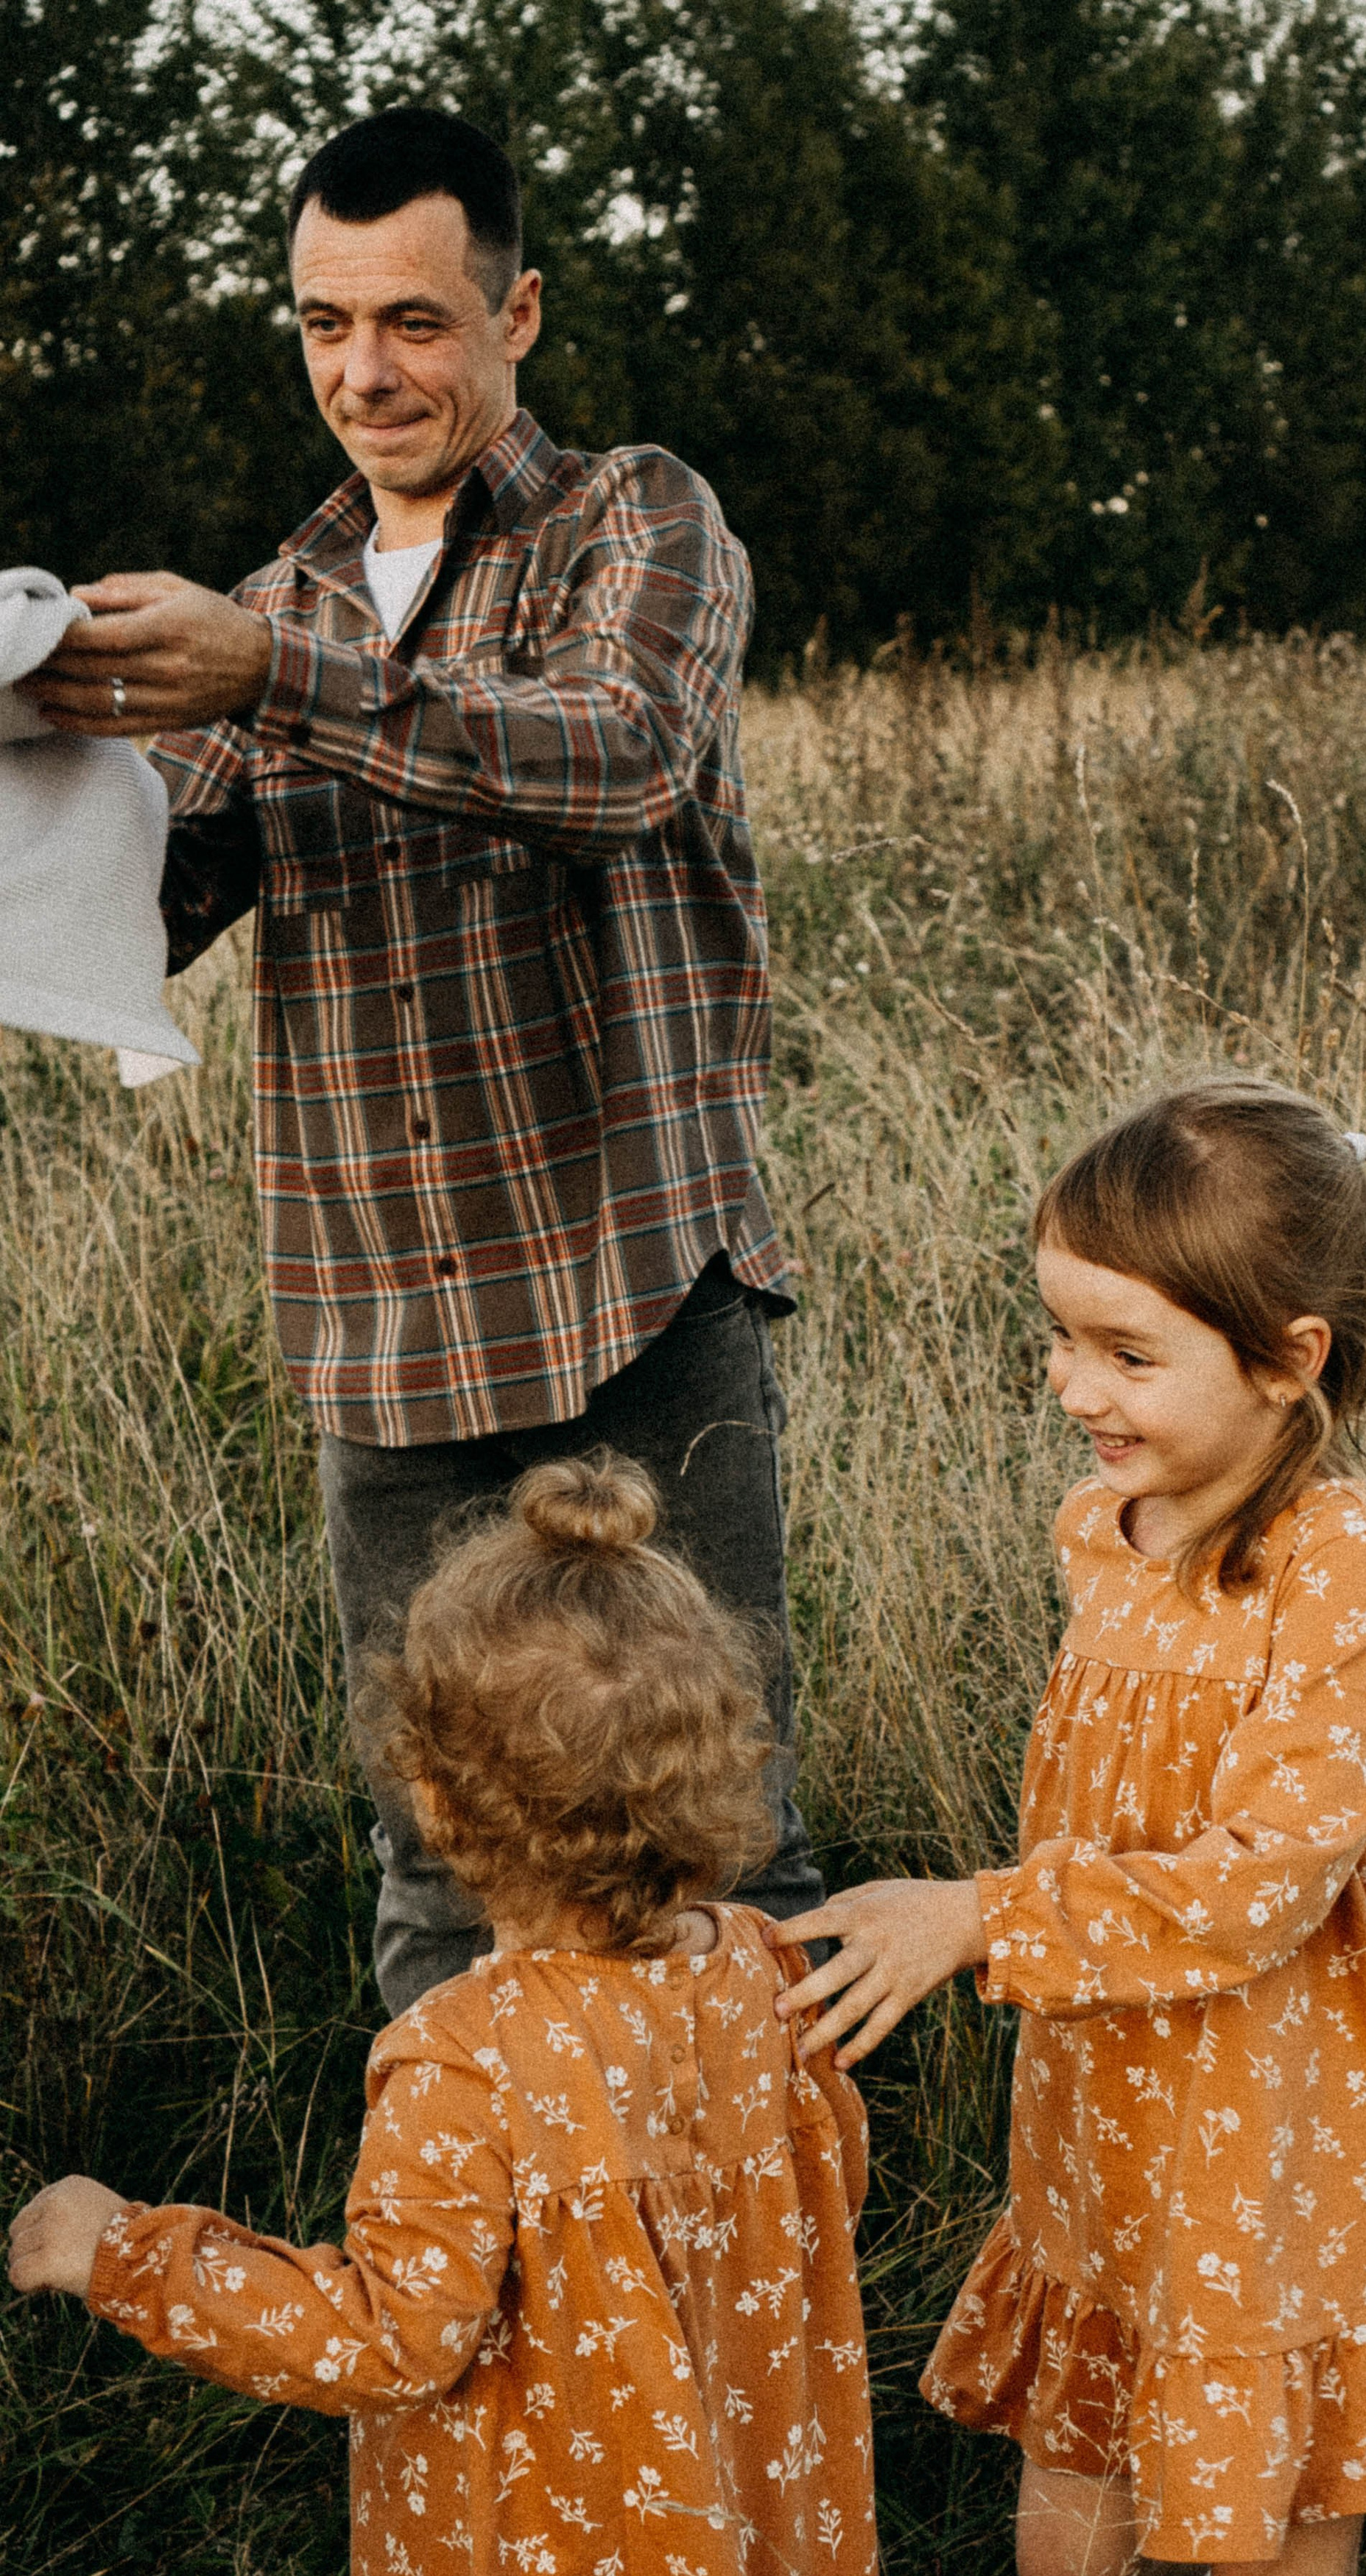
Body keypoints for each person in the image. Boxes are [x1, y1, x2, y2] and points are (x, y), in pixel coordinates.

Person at [20, 105, 823, 2016]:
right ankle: (461, 2289)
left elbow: (614, 759)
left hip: (630, 1277)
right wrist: (52, 741)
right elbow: (148, 902)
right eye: (322, 325)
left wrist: (271, 681)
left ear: (516, 310)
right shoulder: (272, 599)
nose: (364, 372)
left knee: (720, 1833)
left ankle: (777, 2278)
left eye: (415, 322)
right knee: (440, 1857)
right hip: (379, 1324)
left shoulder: (637, 520)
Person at [769, 1079, 1366, 2576]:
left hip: (1281, 2148)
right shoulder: (1104, 1535)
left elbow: (1247, 1894)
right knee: (1070, 2564)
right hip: (1115, 2113)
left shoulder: (1338, 1580)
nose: (1072, 1390)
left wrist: (978, 1912)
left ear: (1284, 1359)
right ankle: (1191, 2573)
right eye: (1059, 1336)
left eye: (1125, 1355)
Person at [7, 1454, 938, 2576]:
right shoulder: (764, 1972)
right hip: (754, 2564)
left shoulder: (461, 2059)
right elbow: (829, 2191)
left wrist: (130, 2257)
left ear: (436, 1806)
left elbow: (394, 2337)